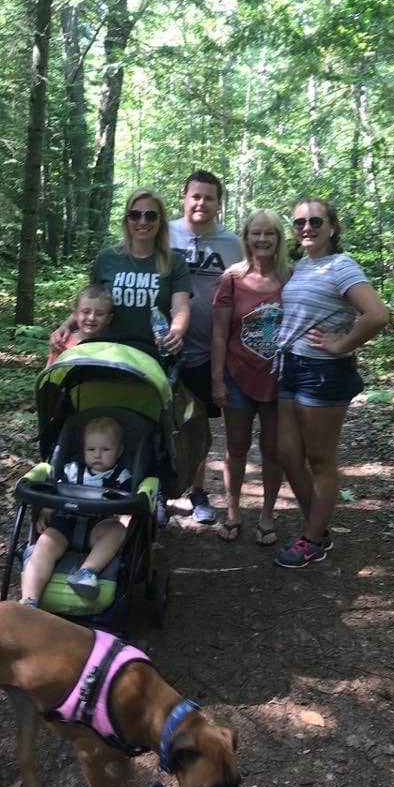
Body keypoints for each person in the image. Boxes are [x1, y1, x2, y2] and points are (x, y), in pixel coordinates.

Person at [275, 198, 389, 569]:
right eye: (299, 222)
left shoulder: (341, 266)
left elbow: (377, 314)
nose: (306, 227)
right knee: (288, 454)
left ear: (332, 227)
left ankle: (313, 537)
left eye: (315, 221)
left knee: (320, 459)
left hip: (322, 373)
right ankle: (318, 528)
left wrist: (341, 343)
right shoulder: (303, 267)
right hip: (290, 367)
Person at [210, 210, 288, 545]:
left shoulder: (292, 277)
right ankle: (233, 511)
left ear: (279, 238)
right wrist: (217, 380)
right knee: (237, 447)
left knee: (274, 450)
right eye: (256, 233)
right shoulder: (232, 278)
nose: (262, 240)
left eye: (269, 233)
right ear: (246, 238)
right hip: (237, 374)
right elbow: (218, 333)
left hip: (279, 379)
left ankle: (267, 515)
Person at [169, 170, 242, 524]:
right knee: (158, 421)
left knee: (197, 424)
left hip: (208, 349)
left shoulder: (232, 244)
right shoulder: (162, 233)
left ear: (218, 203)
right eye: (195, 196)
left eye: (208, 197)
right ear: (184, 198)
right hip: (162, 346)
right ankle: (158, 492)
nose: (201, 203)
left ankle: (197, 491)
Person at [49, 189, 191, 362]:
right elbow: (91, 302)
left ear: (160, 221)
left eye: (151, 215)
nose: (143, 221)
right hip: (105, 352)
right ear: (127, 220)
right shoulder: (107, 258)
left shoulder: (175, 262)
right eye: (135, 215)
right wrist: (65, 327)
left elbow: (180, 308)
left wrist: (176, 331)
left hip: (151, 356)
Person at [20, 416, 132, 603]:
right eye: (91, 449)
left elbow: (127, 502)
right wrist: (47, 509)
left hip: (98, 526)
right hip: (65, 522)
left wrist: (126, 516)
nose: (97, 455)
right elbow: (55, 492)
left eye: (105, 449)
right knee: (44, 546)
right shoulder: (71, 470)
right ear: (83, 450)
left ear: (119, 451)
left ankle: (86, 572)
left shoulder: (122, 477)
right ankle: (30, 600)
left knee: (117, 530)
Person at [46, 285, 113, 366]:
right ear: (75, 313)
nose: (91, 318)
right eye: (86, 312)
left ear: (108, 318)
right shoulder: (62, 343)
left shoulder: (109, 348)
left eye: (99, 314)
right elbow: (50, 374)